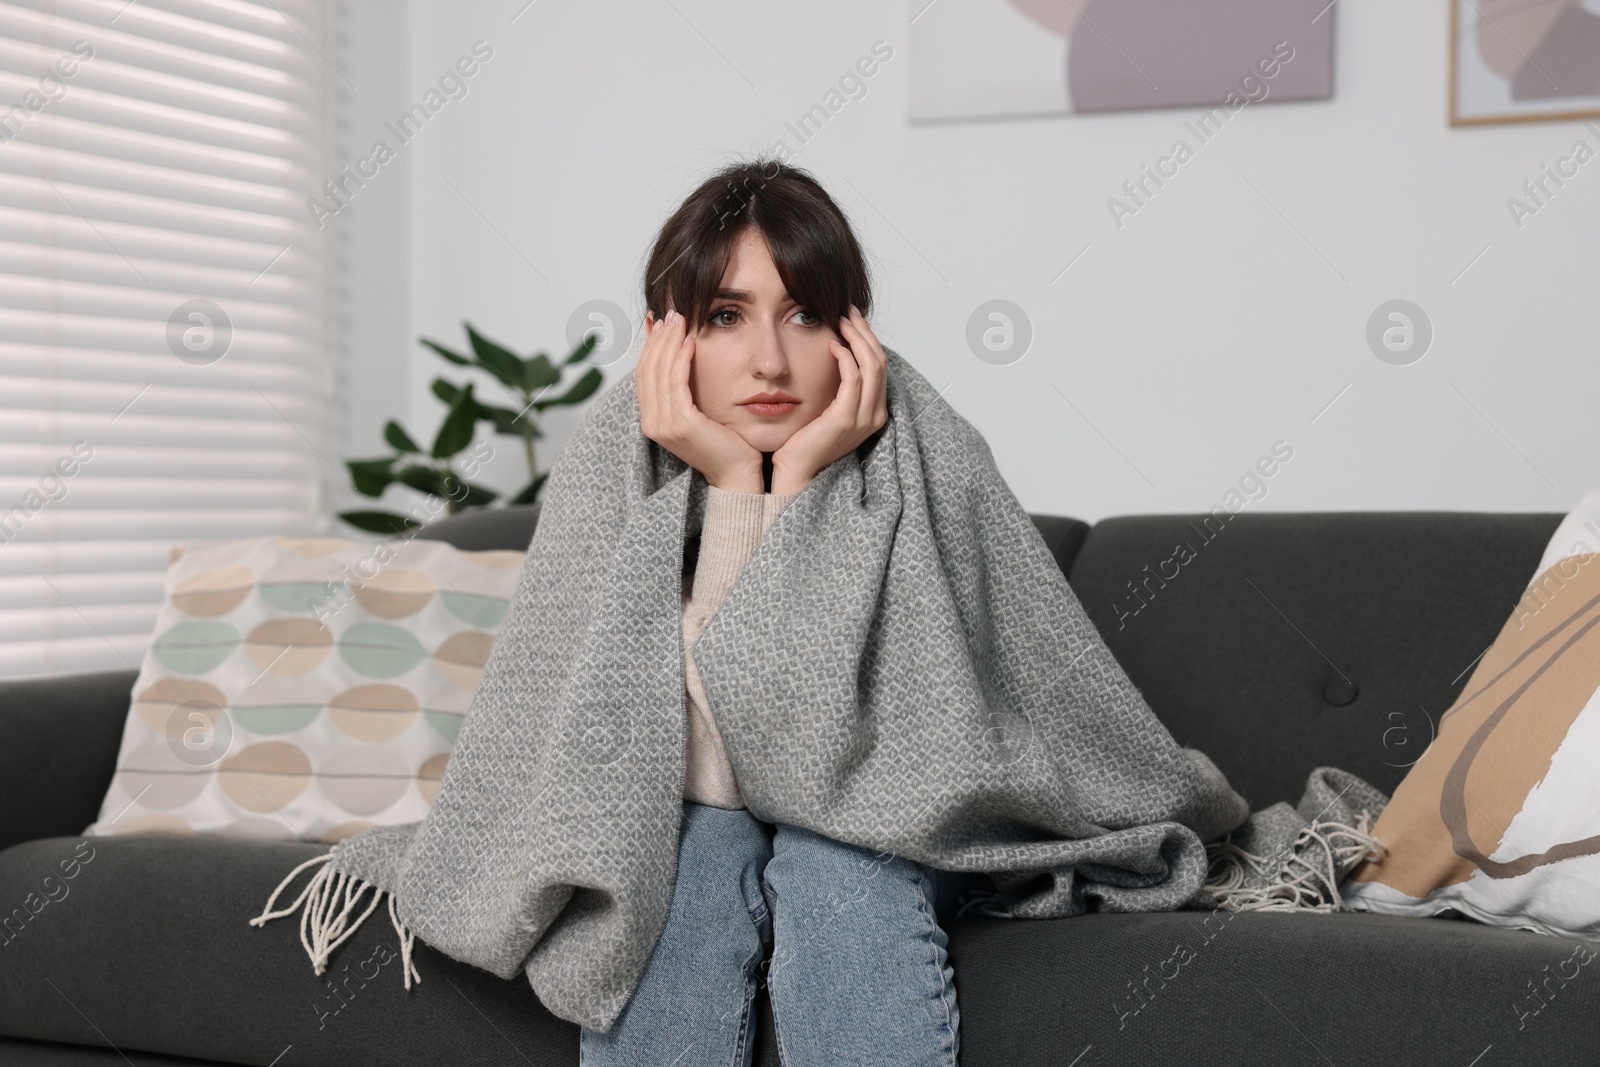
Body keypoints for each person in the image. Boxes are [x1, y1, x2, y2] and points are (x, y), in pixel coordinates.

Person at [580, 161, 965, 1066]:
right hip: (732, 812)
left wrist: (789, 482)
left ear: (853, 334)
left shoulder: (927, 461)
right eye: (725, 315)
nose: (769, 361)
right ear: (663, 340)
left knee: (838, 867)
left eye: (806, 314)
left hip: (908, 817)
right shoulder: (613, 476)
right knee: (686, 862)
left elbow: (819, 773)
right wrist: (730, 482)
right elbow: (720, 781)